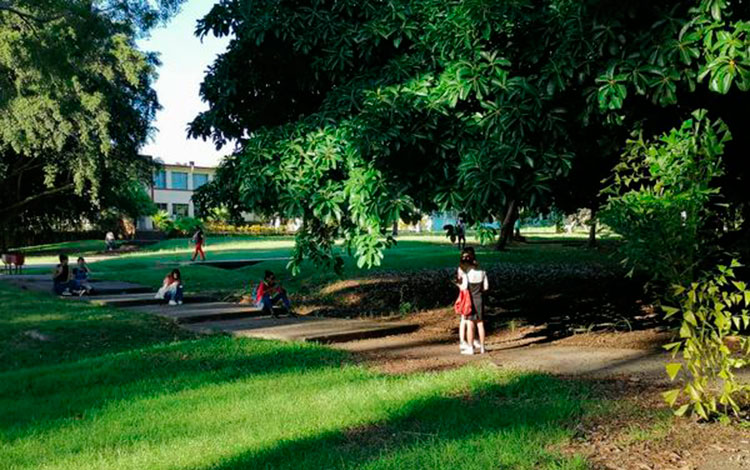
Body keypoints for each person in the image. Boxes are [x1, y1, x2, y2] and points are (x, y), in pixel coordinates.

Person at [456, 248, 488, 355]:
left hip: (470, 300)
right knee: (480, 324)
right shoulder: (483, 272)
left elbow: (463, 287)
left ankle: (470, 348)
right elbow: (486, 287)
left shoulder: (467, 273)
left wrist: (458, 284)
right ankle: (483, 347)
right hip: (480, 299)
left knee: (470, 324)